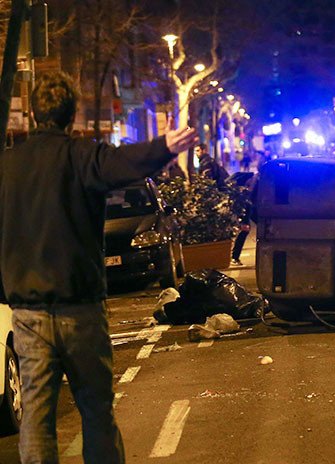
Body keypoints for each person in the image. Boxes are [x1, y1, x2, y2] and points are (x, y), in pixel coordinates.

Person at [0, 72, 198, 463]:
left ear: (36, 114)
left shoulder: (7, 166)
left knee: (37, 417)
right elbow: (123, 163)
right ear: (72, 114)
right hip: (81, 308)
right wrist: (164, 146)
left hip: (28, 312)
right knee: (95, 411)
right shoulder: (83, 156)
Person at [229, 172, 258, 266]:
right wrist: (245, 221)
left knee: (244, 231)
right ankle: (234, 257)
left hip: (247, 211)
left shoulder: (245, 189)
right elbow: (245, 206)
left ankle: (234, 257)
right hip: (244, 213)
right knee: (243, 231)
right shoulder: (242, 192)